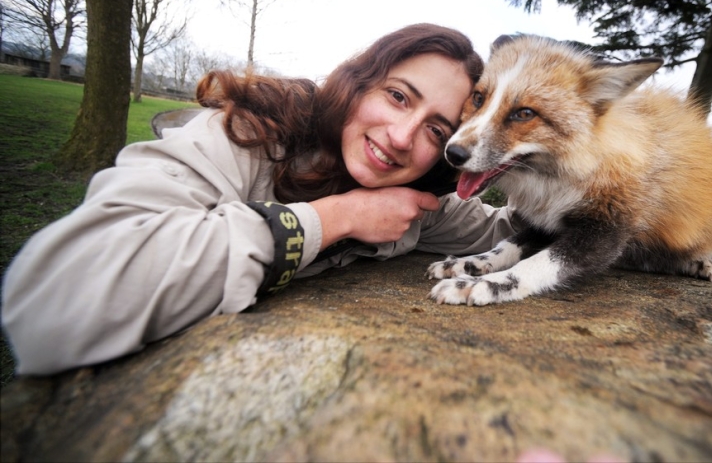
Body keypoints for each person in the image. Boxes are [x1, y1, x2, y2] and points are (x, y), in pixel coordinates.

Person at [2, 23, 520, 375]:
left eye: (435, 129)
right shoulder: (244, 135)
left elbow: (516, 230)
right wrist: (334, 218)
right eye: (398, 96)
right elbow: (51, 303)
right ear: (358, 83)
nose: (403, 137)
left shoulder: (418, 204)